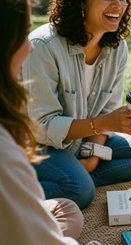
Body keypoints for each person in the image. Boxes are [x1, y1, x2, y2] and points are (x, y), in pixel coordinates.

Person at [20, 0, 131, 210]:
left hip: (81, 141)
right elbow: (42, 127)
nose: (118, 5)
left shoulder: (117, 47)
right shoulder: (43, 46)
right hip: (35, 144)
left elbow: (107, 111)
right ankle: (12, 190)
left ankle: (74, 177)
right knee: (80, 191)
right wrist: (104, 123)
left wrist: (94, 155)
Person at [0, 0, 83, 244]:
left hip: (75, 148)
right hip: (50, 148)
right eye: (23, 33)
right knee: (79, 189)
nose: (29, 48)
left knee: (67, 208)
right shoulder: (4, 152)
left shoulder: (117, 48)